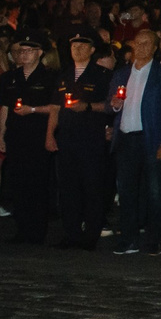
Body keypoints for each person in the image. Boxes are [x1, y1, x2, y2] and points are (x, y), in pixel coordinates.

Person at [107, 30, 161, 255]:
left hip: (151, 138)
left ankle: (154, 239)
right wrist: (115, 105)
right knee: (126, 192)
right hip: (126, 138)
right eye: (139, 43)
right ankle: (129, 238)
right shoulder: (121, 74)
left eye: (147, 44)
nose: (142, 47)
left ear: (155, 48)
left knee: (155, 192)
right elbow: (110, 105)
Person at [0, 34, 59, 245]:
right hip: (16, 135)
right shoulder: (10, 78)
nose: (24, 54)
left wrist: (33, 110)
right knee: (18, 184)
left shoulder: (50, 77)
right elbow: (4, 107)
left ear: (40, 53)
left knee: (37, 184)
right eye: (21, 51)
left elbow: (56, 108)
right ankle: (22, 229)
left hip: (37, 135)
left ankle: (37, 230)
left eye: (29, 51)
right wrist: (1, 135)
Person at [53, 32, 114, 250]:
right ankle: (71, 234)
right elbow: (56, 107)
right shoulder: (64, 75)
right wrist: (51, 134)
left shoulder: (102, 75)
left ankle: (91, 236)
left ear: (91, 50)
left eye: (82, 46)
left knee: (92, 188)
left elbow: (111, 106)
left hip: (91, 138)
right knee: (68, 189)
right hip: (67, 137)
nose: (77, 50)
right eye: (74, 46)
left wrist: (87, 107)